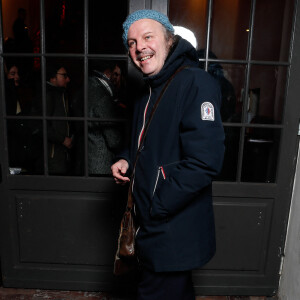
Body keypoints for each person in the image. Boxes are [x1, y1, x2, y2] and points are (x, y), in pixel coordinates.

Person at [111, 9, 225, 300]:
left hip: (170, 227)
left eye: (148, 37)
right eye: (132, 43)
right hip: (152, 222)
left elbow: (205, 161)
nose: (139, 47)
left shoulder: (195, 83)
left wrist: (156, 204)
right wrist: (126, 157)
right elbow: (143, 141)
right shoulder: (147, 91)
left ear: (169, 40)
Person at [88, 63, 125, 175]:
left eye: (118, 75)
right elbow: (113, 140)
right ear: (108, 72)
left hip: (89, 161)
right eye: (114, 74)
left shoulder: (89, 87)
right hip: (101, 165)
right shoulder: (103, 96)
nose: (114, 78)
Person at [46, 65, 72, 175]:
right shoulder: (48, 95)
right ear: (52, 78)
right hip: (51, 154)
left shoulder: (60, 94)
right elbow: (42, 125)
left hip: (61, 153)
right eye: (64, 76)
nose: (68, 79)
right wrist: (62, 139)